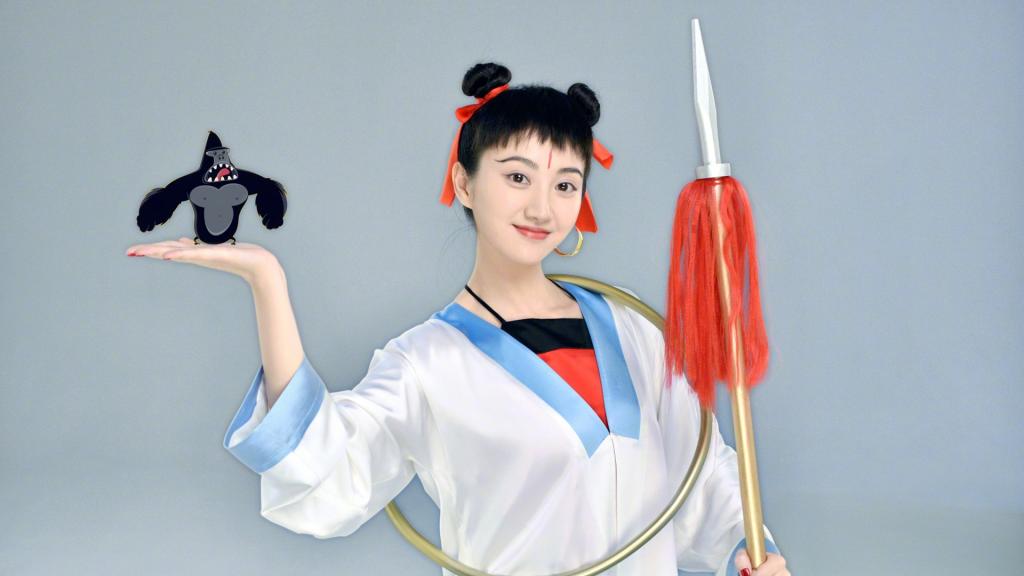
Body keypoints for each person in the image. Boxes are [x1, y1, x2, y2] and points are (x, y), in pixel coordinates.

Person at [126, 62, 788, 576]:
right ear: (465, 183)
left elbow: (702, 476)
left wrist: (745, 549)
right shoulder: (427, 363)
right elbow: (325, 469)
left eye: (565, 183)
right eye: (518, 177)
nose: (543, 207)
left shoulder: (636, 333)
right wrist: (267, 281)